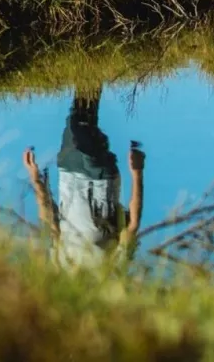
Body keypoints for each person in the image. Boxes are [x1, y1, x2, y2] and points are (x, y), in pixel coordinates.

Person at [22, 85, 145, 266]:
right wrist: (137, 173)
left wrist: (36, 179)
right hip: (100, 182)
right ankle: (92, 69)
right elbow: (132, 226)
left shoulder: (60, 270)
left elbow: (53, 226)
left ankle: (91, 66)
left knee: (77, 116)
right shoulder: (113, 275)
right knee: (80, 128)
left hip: (67, 173)